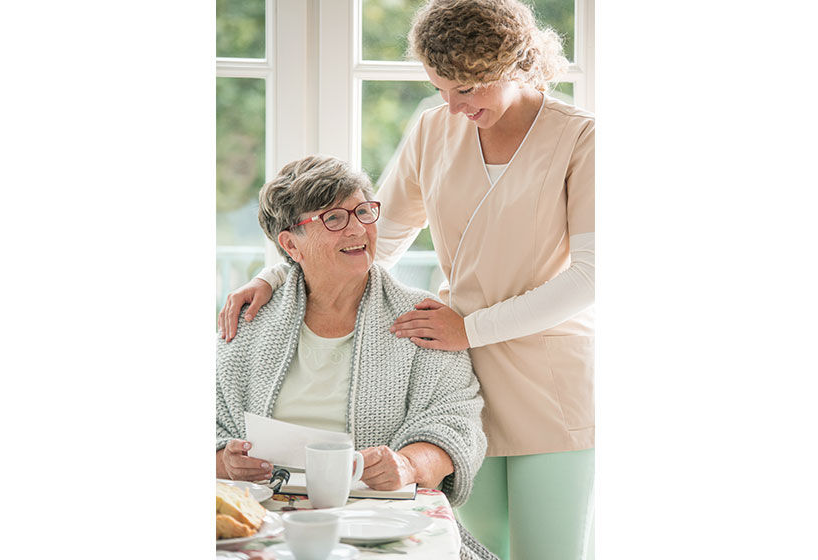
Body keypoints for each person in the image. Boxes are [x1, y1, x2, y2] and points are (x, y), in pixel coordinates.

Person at [218, 1, 594, 558]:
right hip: (463, 374)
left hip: (549, 378)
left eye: (468, 90)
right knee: (472, 547)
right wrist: (280, 273)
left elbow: (590, 277)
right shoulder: (433, 127)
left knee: (547, 553)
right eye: (442, 88)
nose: (454, 105)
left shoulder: (581, 139)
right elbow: (376, 236)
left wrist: (470, 328)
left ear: (515, 64)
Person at [215, 155, 494, 560]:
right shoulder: (248, 324)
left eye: (363, 211)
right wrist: (224, 461)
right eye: (334, 218)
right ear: (291, 245)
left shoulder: (422, 318)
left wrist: (408, 466)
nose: (359, 228)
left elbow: (455, 421)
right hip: (267, 516)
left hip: (382, 518)